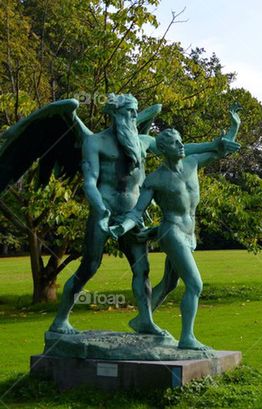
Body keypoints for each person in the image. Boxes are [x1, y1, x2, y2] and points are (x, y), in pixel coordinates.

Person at [49, 94, 239, 335]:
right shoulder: (95, 142)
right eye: (130, 112)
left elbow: (179, 149)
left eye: (137, 112)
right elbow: (90, 182)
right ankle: (61, 321)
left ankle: (146, 320)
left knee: (142, 270)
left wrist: (216, 144)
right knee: (89, 266)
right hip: (103, 212)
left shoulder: (142, 142)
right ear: (115, 114)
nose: (135, 116)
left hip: (133, 213)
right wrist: (101, 210)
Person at [109, 106, 240, 350]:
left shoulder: (192, 163)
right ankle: (187, 338)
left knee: (170, 283)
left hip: (190, 234)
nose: (182, 146)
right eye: (176, 143)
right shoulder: (155, 179)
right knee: (195, 284)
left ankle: (142, 319)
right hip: (172, 233)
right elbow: (137, 211)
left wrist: (234, 127)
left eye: (181, 142)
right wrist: (122, 227)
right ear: (164, 150)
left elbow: (221, 150)